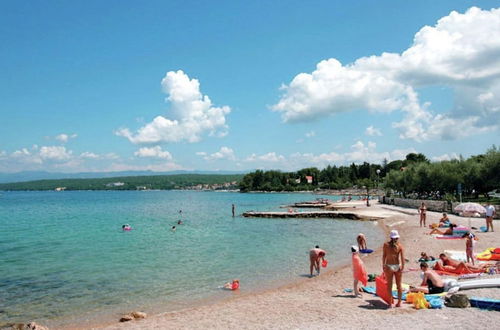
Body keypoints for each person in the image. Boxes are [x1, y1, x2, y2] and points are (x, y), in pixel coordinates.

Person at [382, 230, 404, 307]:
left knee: (389, 285)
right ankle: (399, 303)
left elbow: (384, 256)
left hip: (389, 266)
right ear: (397, 237)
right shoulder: (400, 246)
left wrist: (383, 265)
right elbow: (402, 258)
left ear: (390, 237)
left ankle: (390, 303)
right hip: (397, 266)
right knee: (399, 285)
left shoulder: (385, 245)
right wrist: (402, 267)